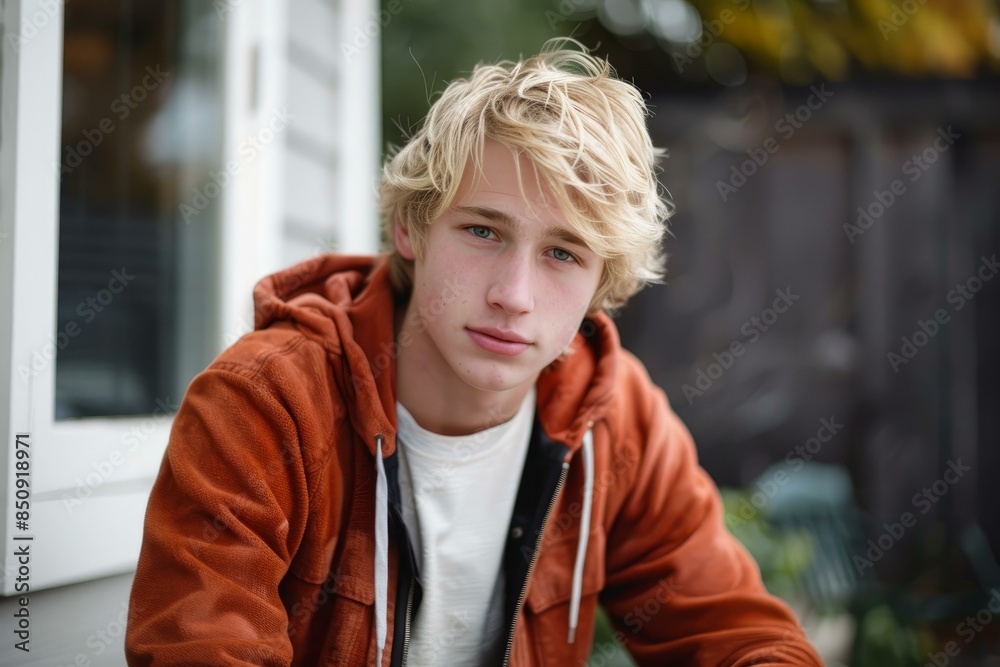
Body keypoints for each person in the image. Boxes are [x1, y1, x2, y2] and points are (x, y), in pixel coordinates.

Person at [125, 41, 823, 666]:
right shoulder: (264, 404)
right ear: (410, 227)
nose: (514, 294)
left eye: (561, 252)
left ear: (600, 284)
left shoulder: (615, 415)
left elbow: (743, 638)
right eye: (483, 231)